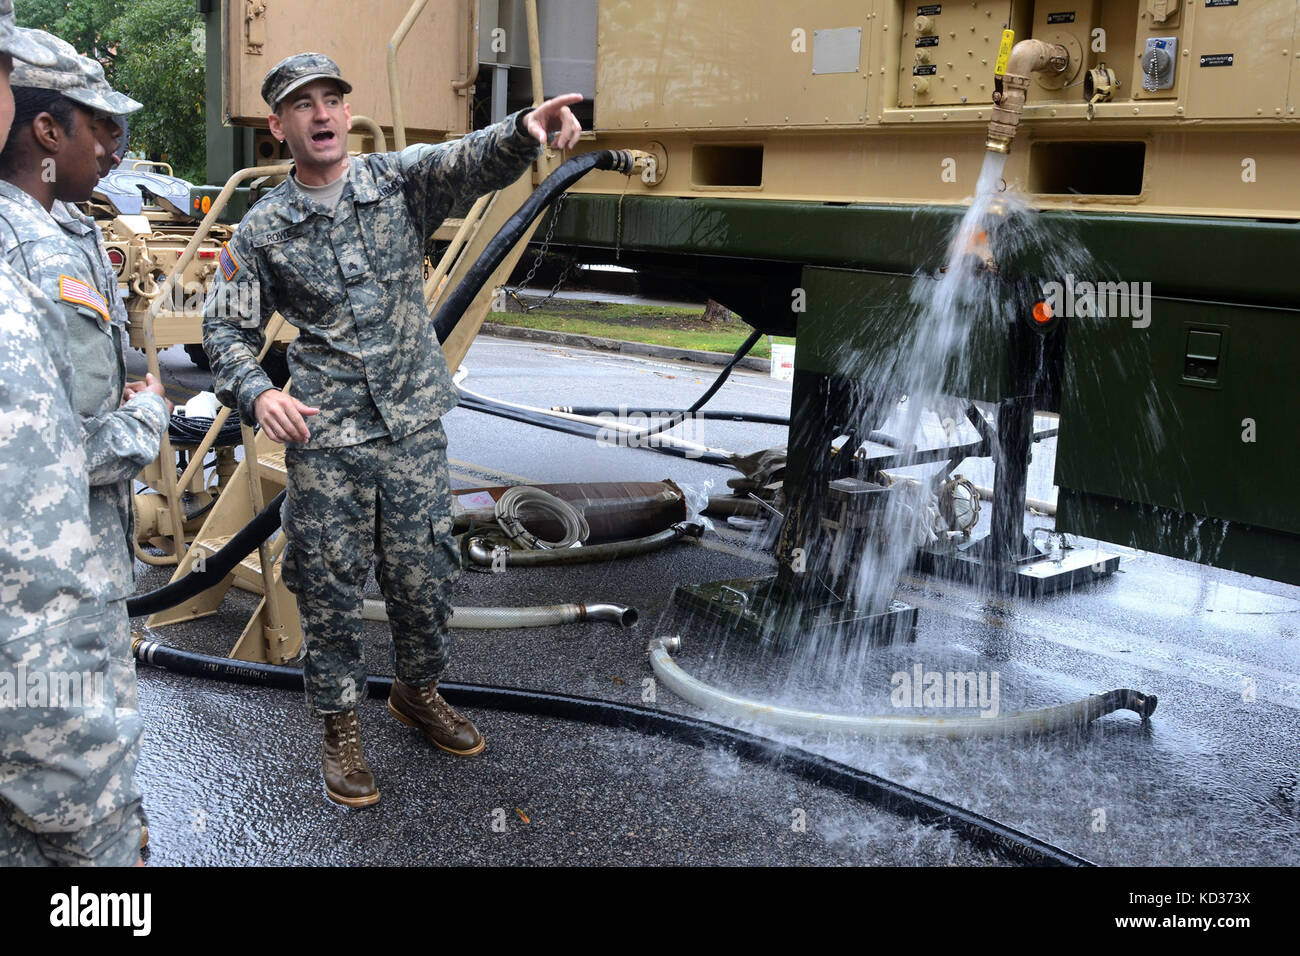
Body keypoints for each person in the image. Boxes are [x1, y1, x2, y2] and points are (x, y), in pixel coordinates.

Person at [202, 52, 581, 807]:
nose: (321, 114)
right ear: (278, 126)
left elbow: (467, 159)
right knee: (332, 585)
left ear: (347, 113)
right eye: (301, 104)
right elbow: (225, 331)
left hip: (410, 427)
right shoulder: (265, 227)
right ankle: (341, 730)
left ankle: (418, 691)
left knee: (424, 575)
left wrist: (524, 131)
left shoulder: (395, 180)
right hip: (328, 437)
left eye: (332, 100)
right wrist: (255, 393)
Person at [0, 28, 169, 854]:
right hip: (44, 606)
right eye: (97, 126)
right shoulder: (12, 244)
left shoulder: (62, 225)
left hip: (90, 564)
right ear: (44, 129)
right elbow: (47, 456)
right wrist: (147, 417)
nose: (114, 147)